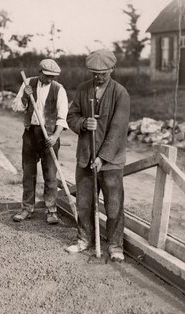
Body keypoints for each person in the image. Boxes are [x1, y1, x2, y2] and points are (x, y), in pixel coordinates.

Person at [65, 49, 130, 262]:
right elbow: (71, 116)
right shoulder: (83, 90)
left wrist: (102, 157)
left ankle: (115, 246)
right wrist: (84, 123)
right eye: (94, 72)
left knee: (113, 206)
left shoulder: (120, 93)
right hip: (85, 158)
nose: (98, 76)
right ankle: (84, 240)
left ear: (112, 69)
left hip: (110, 162)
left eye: (102, 73)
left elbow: (118, 130)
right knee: (84, 203)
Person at [11, 59, 69, 224]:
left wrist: (55, 136)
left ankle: (51, 210)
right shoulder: (28, 82)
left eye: (53, 77)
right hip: (30, 133)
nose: (50, 79)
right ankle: (26, 208)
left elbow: (62, 117)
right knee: (28, 173)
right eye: (47, 76)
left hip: (50, 135)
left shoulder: (59, 90)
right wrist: (24, 96)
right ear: (40, 72)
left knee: (50, 174)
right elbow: (17, 107)